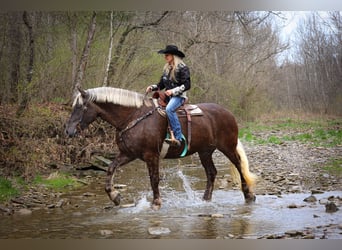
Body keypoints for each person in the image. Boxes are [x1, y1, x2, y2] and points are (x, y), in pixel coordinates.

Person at [146, 45, 191, 147]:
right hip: (167, 97)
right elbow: (161, 84)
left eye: (167, 55)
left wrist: (173, 91)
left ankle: (178, 137)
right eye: (165, 55)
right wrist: (152, 87)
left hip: (179, 97)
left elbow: (187, 85)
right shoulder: (167, 69)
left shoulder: (183, 68)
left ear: (173, 56)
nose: (165, 57)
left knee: (169, 109)